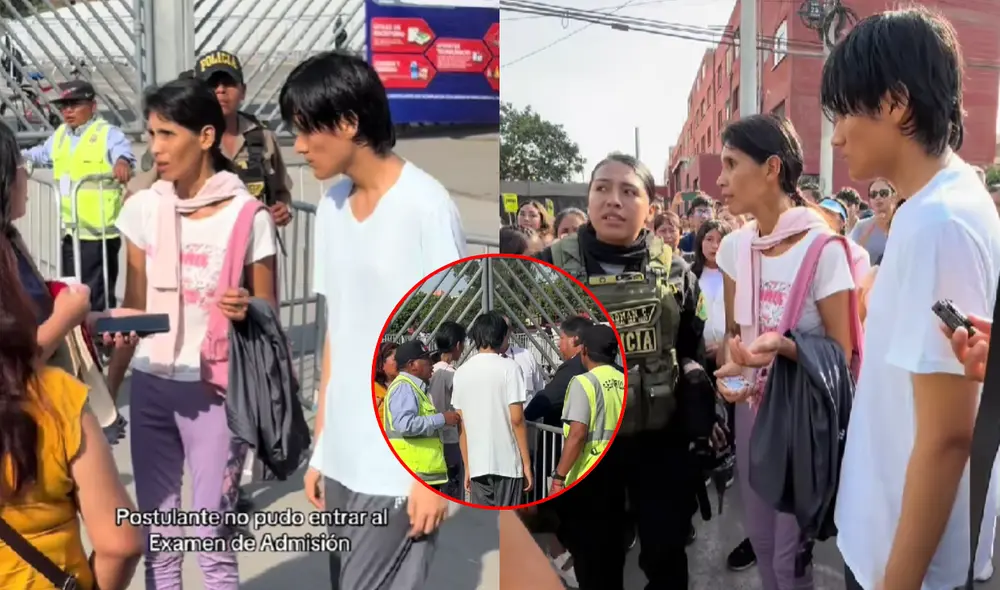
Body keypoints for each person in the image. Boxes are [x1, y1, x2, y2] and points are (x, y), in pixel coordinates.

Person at [823, 8, 1000, 590]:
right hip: (886, 533)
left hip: (902, 562)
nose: (838, 134)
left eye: (847, 111)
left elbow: (949, 435)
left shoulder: (936, 223)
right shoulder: (938, 203)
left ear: (897, 103)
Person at [285, 51, 465, 590]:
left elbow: (452, 345)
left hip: (398, 464)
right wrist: (323, 446)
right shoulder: (331, 206)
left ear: (347, 123)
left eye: (304, 130)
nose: (297, 146)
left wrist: (433, 478)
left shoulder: (426, 207)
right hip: (343, 455)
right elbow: (338, 331)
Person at [103, 77, 279, 589]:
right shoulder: (141, 209)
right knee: (160, 543)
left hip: (218, 397)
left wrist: (247, 308)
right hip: (152, 389)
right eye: (150, 134)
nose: (154, 148)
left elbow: (268, 312)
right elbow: (133, 309)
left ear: (205, 136)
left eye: (166, 134)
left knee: (212, 544)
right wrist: (110, 394)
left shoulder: (249, 216)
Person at [536, 152, 711, 589]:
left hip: (660, 442)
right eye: (602, 188)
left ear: (649, 208)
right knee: (597, 561)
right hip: (588, 446)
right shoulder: (548, 268)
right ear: (589, 197)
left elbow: (692, 349)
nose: (613, 200)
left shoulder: (674, 270)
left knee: (667, 558)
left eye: (629, 191)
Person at [713, 113, 857, 590]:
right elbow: (737, 339)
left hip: (798, 419)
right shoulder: (735, 247)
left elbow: (841, 354)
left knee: (790, 558)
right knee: (762, 541)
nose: (721, 178)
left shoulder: (824, 248)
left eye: (732, 163)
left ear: (772, 168)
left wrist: (787, 348)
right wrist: (732, 372)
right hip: (751, 413)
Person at [0, 122, 143, 590]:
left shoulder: (12, 244)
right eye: (19, 166)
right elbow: (122, 542)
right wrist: (67, 312)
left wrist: (89, 321)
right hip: (35, 433)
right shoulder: (57, 402)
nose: (26, 173)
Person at [131, 50, 294, 228]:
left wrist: (282, 210)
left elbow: (281, 192)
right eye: (212, 84)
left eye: (229, 83)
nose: (221, 90)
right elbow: (135, 197)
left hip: (253, 244)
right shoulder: (180, 139)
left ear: (243, 91)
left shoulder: (262, 136)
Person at [21, 79, 135, 311]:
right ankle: (79, 343)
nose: (67, 111)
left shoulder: (106, 133)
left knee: (97, 299)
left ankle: (102, 345)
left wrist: (122, 162)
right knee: (71, 294)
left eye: (74, 104)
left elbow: (123, 153)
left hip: (99, 235)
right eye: (64, 106)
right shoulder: (62, 134)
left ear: (92, 107)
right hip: (71, 231)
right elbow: (40, 154)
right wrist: (14, 155)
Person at [452, 311, 533, 507]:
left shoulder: (461, 372)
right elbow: (517, 419)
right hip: (507, 463)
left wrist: (468, 465)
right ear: (502, 336)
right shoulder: (510, 368)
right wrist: (527, 463)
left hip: (478, 464)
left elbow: (461, 424)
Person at [549, 323, 625, 492]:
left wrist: (558, 478)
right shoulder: (625, 379)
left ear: (584, 351)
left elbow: (577, 434)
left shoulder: (583, 383)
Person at [383, 340, 459, 489]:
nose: (431, 363)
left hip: (421, 476)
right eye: (426, 359)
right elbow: (405, 425)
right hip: (414, 475)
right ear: (412, 365)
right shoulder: (404, 388)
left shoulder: (415, 388)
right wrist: (442, 419)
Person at [427, 321, 467, 501]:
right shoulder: (452, 374)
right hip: (450, 437)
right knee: (453, 488)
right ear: (458, 345)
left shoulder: (429, 371)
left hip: (431, 438)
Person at [848, 178, 897, 264]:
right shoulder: (861, 226)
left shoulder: (903, 223)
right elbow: (851, 257)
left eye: (883, 193)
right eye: (873, 194)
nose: (878, 197)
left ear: (894, 197)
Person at [373, 341, 399, 425]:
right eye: (396, 359)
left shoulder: (406, 387)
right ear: (381, 363)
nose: (401, 363)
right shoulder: (373, 390)